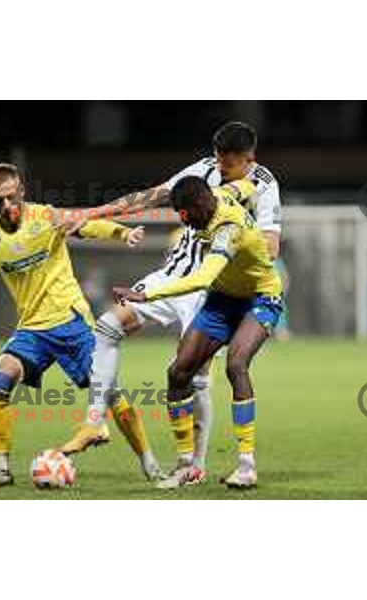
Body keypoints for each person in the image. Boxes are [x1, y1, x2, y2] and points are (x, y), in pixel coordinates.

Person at [61, 121, 282, 484]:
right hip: (176, 273)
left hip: (215, 283)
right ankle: (96, 422)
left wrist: (230, 236)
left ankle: (196, 464)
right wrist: (93, 213)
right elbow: (154, 195)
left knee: (198, 372)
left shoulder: (264, 186)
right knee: (108, 326)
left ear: (249, 158)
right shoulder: (206, 170)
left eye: (228, 163)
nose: (219, 167)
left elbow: (270, 248)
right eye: (217, 159)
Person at [0, 163, 145, 488]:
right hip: (32, 329)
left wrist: (123, 233)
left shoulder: (45, 217)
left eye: (12, 197)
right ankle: (0, 469)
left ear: (23, 192)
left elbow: (85, 226)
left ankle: (149, 464)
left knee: (110, 393)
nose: (7, 205)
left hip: (70, 321)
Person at [113, 176, 284, 489]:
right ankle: (186, 466)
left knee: (236, 364)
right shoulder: (216, 193)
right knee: (178, 373)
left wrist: (147, 295)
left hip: (259, 296)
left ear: (199, 205)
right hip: (222, 300)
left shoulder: (227, 230)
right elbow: (248, 185)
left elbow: (204, 277)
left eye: (184, 213)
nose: (183, 220)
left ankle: (246, 464)